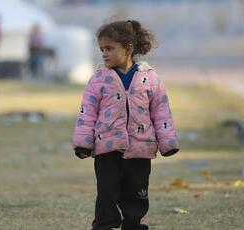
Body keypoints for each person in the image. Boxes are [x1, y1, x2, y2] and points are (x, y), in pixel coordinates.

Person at [72, 19, 180, 230]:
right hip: (107, 149)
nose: (104, 53)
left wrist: (167, 143)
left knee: (136, 192)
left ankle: (133, 225)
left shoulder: (150, 78)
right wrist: (83, 143)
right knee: (106, 192)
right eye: (102, 49)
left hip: (140, 149)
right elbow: (87, 112)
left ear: (128, 48)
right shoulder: (98, 79)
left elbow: (161, 112)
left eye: (110, 48)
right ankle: (105, 225)